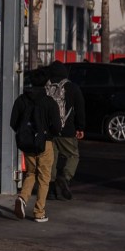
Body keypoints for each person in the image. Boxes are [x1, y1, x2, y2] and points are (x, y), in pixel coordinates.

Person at [10, 68, 61, 223]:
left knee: (31, 173)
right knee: (44, 178)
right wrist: (47, 135)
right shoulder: (49, 102)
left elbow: (13, 123)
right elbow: (57, 127)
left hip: (28, 144)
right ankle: (39, 212)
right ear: (46, 83)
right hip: (45, 143)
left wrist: (26, 134)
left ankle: (22, 198)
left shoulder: (21, 100)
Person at [45, 60, 86, 201]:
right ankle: (65, 178)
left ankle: (50, 190)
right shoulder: (72, 87)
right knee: (73, 155)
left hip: (49, 131)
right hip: (66, 129)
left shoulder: (45, 87)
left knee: (51, 159)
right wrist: (80, 127)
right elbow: (80, 108)